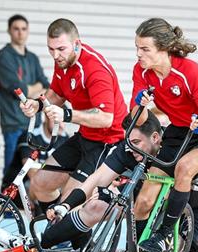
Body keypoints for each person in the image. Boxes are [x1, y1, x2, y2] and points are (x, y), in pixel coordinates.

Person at [38, 110, 198, 252]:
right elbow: (95, 179)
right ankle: (42, 244)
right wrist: (65, 205)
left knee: (170, 241)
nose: (131, 148)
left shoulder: (175, 147)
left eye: (136, 142)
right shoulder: (130, 148)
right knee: (97, 205)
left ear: (155, 138)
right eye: (128, 142)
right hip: (149, 190)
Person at [130, 18, 198, 252]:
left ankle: (163, 234)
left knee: (184, 168)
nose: (138, 54)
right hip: (178, 131)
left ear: (163, 49)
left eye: (145, 49)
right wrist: (141, 105)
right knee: (144, 199)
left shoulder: (190, 72)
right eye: (136, 48)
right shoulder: (141, 71)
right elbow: (139, 119)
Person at [18, 18, 127, 214]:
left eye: (61, 49)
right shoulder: (62, 62)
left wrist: (66, 114)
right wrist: (37, 104)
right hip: (85, 136)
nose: (55, 55)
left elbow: (105, 117)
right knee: (39, 184)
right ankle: (60, 232)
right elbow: (57, 94)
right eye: (51, 49)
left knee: (68, 201)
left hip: (108, 141)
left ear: (77, 44)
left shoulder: (95, 69)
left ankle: (69, 238)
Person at [0, 14, 50, 177]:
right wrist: (34, 88)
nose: (20, 33)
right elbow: (16, 89)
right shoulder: (4, 56)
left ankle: (27, 202)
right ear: (9, 31)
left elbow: (46, 84)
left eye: (23, 29)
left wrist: (30, 88)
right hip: (13, 123)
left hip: (34, 123)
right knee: (13, 170)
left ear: (28, 31)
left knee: (33, 167)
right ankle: (6, 201)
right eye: (16, 29)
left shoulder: (32, 58)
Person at [0, 113, 69, 208]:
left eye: (64, 121)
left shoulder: (65, 139)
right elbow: (32, 173)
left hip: (45, 187)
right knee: (38, 182)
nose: (61, 125)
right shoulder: (30, 137)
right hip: (19, 189)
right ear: (46, 118)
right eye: (57, 121)